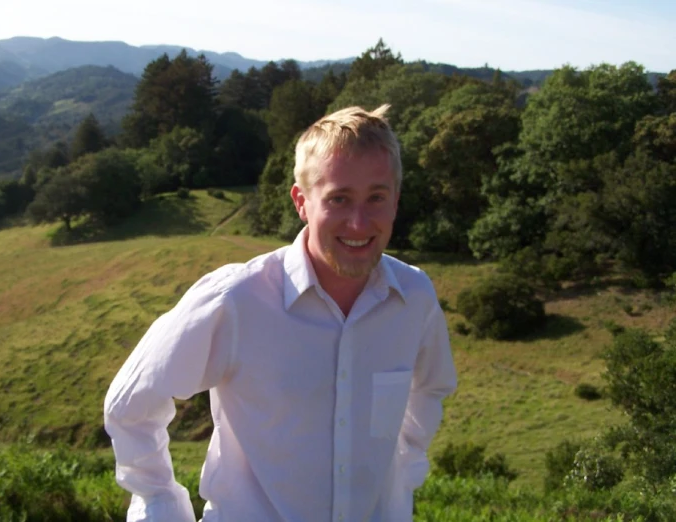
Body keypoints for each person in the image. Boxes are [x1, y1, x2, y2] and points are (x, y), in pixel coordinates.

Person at [104, 104, 458, 522]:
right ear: (301, 202)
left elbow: (431, 387)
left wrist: (405, 474)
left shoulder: (414, 297)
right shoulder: (236, 299)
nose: (359, 222)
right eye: (339, 199)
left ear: (396, 201)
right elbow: (130, 404)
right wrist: (162, 506)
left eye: (376, 198)